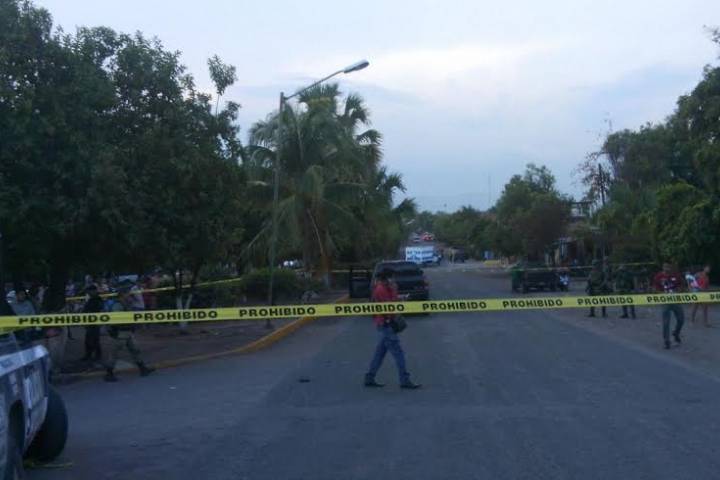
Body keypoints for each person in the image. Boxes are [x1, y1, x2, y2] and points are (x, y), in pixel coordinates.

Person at [364, 269, 420, 389]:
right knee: (399, 354)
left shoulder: (386, 287)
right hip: (386, 324)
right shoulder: (380, 289)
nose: (393, 279)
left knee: (380, 353)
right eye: (392, 277)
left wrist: (400, 296)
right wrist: (394, 290)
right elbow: (389, 306)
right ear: (386, 278)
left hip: (385, 324)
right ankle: (404, 380)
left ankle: (369, 377)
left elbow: (392, 301)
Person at [102, 287, 154, 382]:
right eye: (128, 294)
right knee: (114, 354)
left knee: (135, 350)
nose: (130, 296)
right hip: (119, 333)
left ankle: (143, 369)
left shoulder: (125, 304)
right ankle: (109, 373)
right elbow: (117, 319)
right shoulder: (117, 305)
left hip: (127, 332)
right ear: (122, 295)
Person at [653, 263, 685, 350]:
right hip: (665, 301)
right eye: (665, 267)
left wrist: (679, 290)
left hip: (675, 300)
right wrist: (661, 293)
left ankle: (676, 333)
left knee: (681, 319)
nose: (667, 268)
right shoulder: (658, 276)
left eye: (668, 267)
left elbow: (681, 285)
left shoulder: (675, 275)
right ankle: (666, 341)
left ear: (670, 268)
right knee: (666, 322)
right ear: (663, 267)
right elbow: (655, 288)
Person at [81, 284, 104, 362]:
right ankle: (89, 355)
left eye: (89, 291)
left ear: (94, 291)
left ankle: (97, 356)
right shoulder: (91, 299)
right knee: (88, 340)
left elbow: (98, 310)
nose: (88, 293)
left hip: (95, 323)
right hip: (90, 322)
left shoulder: (98, 299)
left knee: (94, 340)